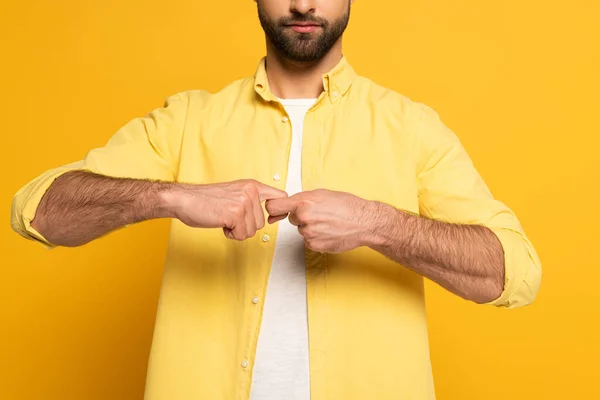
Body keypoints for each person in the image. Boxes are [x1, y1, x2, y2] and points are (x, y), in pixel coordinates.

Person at [10, 0, 542, 399]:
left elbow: (513, 274)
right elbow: (38, 212)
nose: (304, 4)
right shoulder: (188, 121)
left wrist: (378, 224)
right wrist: (172, 196)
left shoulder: (412, 129)